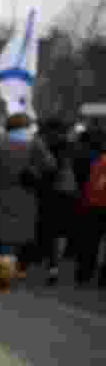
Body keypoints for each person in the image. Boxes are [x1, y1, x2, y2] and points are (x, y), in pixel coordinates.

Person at [0, 111, 57, 290]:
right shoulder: (35, 143)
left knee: (4, 239)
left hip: (1, 194)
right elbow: (50, 165)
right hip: (26, 196)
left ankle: (3, 277)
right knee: (19, 238)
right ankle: (13, 271)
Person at [29, 117, 80, 286]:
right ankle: (54, 264)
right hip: (67, 192)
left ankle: (50, 263)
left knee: (49, 230)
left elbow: (43, 169)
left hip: (49, 193)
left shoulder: (44, 146)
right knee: (61, 231)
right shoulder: (71, 146)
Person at [73, 118, 106, 286]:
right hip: (98, 203)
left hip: (92, 204)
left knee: (89, 241)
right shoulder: (98, 160)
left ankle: (84, 273)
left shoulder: (94, 160)